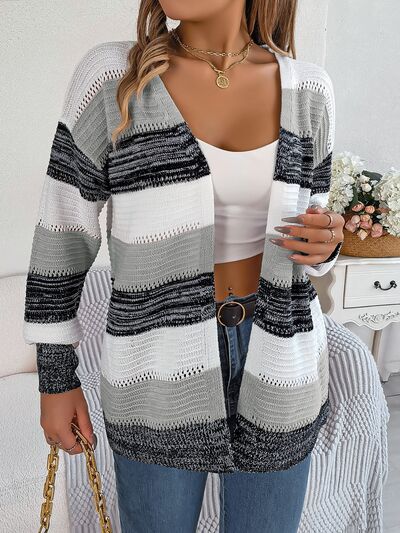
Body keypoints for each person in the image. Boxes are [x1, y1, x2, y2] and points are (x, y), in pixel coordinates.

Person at [22, 0, 345, 531]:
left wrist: (326, 243)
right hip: (155, 368)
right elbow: (62, 230)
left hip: (281, 365)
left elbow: (311, 230)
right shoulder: (114, 77)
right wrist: (56, 376)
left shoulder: (310, 90)